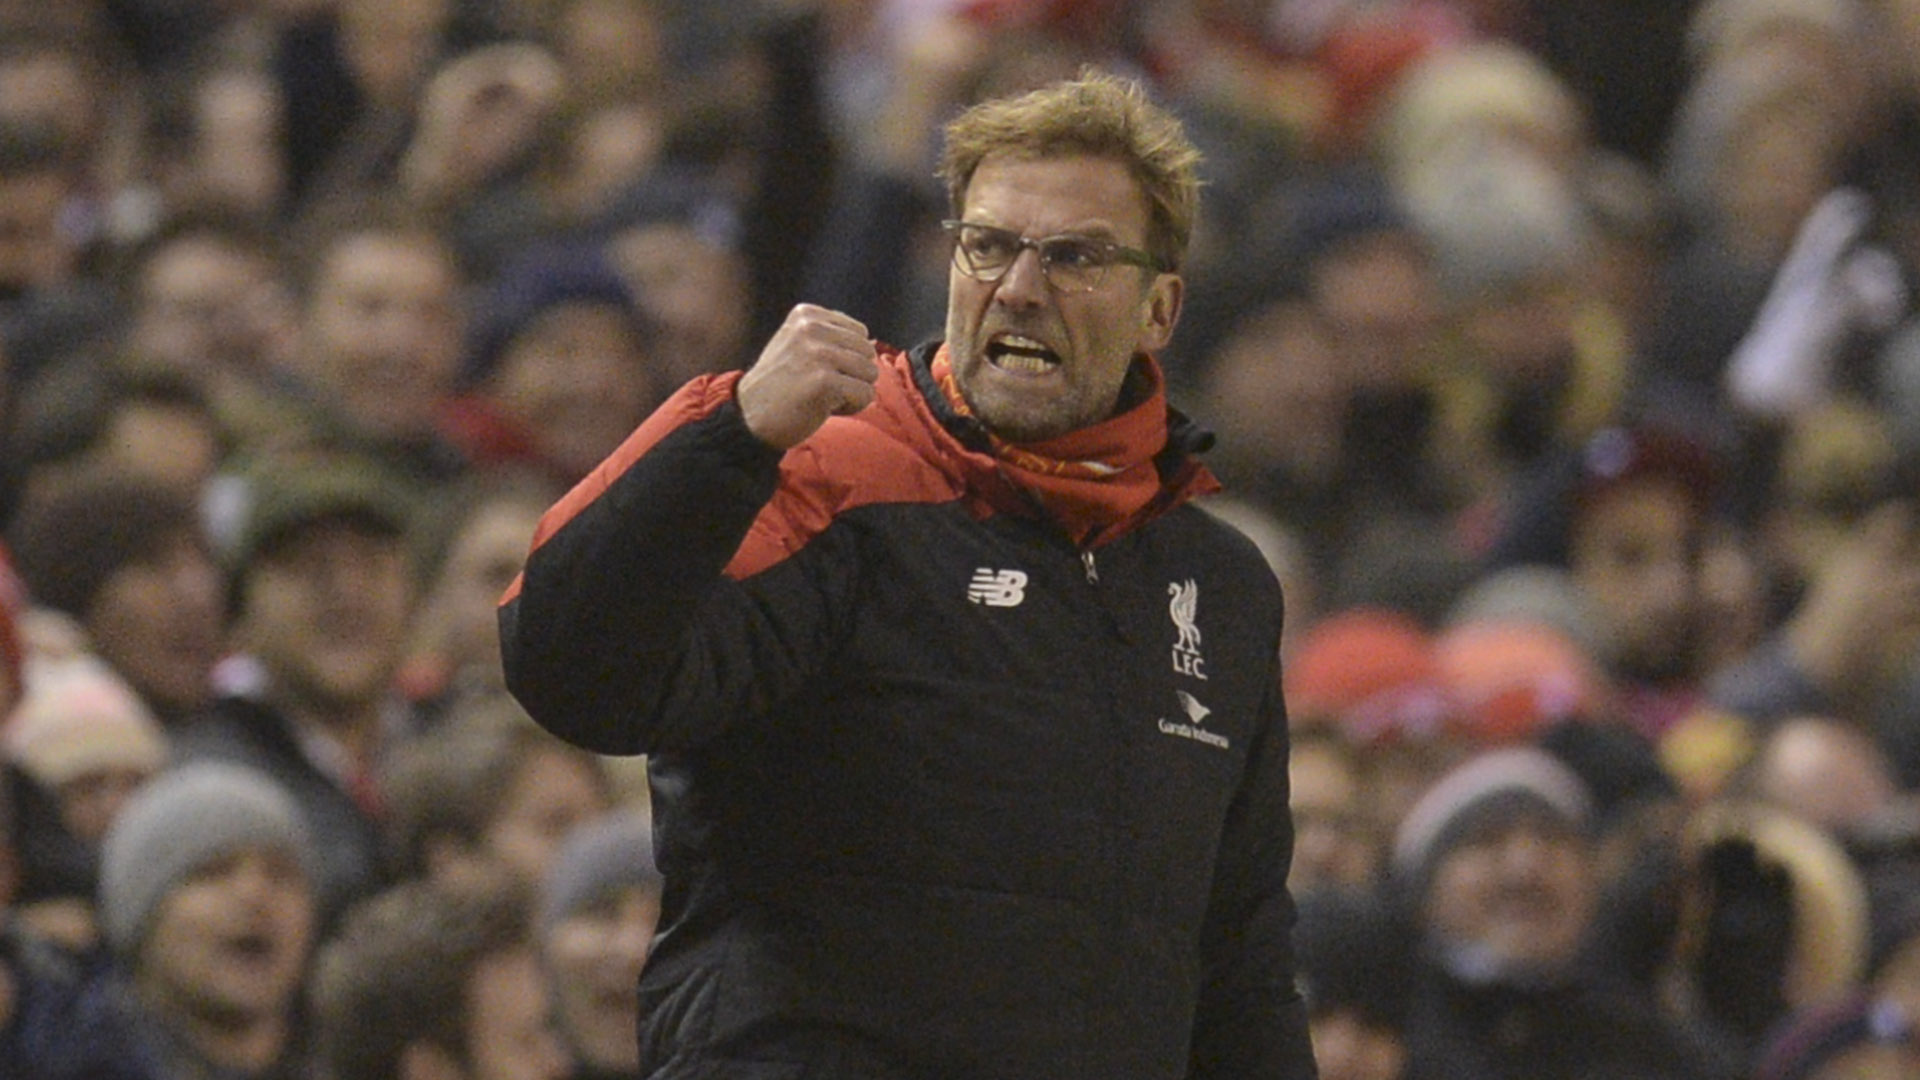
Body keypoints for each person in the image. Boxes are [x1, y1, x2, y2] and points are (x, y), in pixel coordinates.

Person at [501, 70, 1316, 1077]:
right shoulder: (828, 477)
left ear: (1159, 308)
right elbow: (573, 673)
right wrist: (728, 436)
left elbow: (1239, 959)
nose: (1019, 286)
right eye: (988, 245)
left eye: (1075, 256)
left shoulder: (1219, 583)